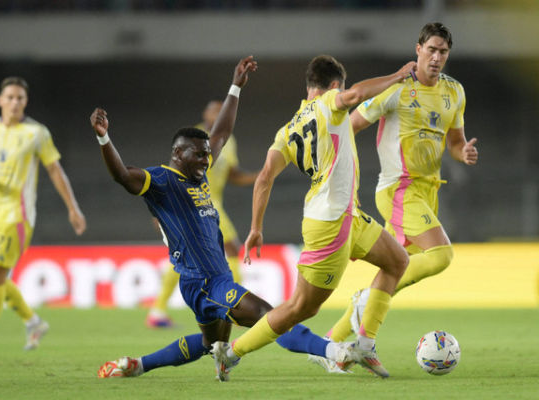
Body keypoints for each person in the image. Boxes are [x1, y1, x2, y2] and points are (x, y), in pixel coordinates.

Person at [93, 56, 351, 381]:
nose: (206, 159)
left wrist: (236, 88)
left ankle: (136, 365)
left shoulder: (198, 175)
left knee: (209, 344)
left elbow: (222, 133)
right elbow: (121, 175)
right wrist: (104, 138)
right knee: (267, 316)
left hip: (204, 281)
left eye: (206, 154)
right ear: (178, 154)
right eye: (198, 154)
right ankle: (334, 352)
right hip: (207, 283)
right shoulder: (161, 181)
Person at [211, 55, 417, 379]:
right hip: (329, 222)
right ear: (334, 85)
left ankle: (364, 344)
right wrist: (398, 75)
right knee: (301, 308)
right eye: (340, 90)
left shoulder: (288, 129)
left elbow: (265, 176)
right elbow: (356, 96)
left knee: (397, 261)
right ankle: (230, 353)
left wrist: (256, 227)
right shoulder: (328, 104)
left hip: (349, 215)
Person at [310, 22, 478, 373]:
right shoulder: (396, 89)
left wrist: (463, 153)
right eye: (430, 49)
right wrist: (331, 166)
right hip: (399, 189)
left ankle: (330, 345)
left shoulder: (455, 92)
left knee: (393, 271)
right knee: (440, 256)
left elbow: (455, 140)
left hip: (428, 192)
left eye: (443, 52)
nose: (436, 57)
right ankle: (363, 309)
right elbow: (350, 125)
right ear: (418, 49)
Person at [0, 76, 87, 352]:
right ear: (0, 100)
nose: (15, 102)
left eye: (20, 98)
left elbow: (54, 169)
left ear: (25, 102)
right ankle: (34, 322)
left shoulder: (36, 133)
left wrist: (72, 208)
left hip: (17, 214)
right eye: (10, 97)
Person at [146, 99, 258, 328]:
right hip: (194, 202)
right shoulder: (193, 140)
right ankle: (234, 307)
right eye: (212, 112)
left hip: (212, 203)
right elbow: (174, 171)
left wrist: (262, 176)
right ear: (205, 115)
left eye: (220, 112)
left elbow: (232, 174)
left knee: (189, 253)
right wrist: (162, 208)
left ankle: (158, 310)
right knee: (230, 249)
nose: (216, 116)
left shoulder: (229, 141)